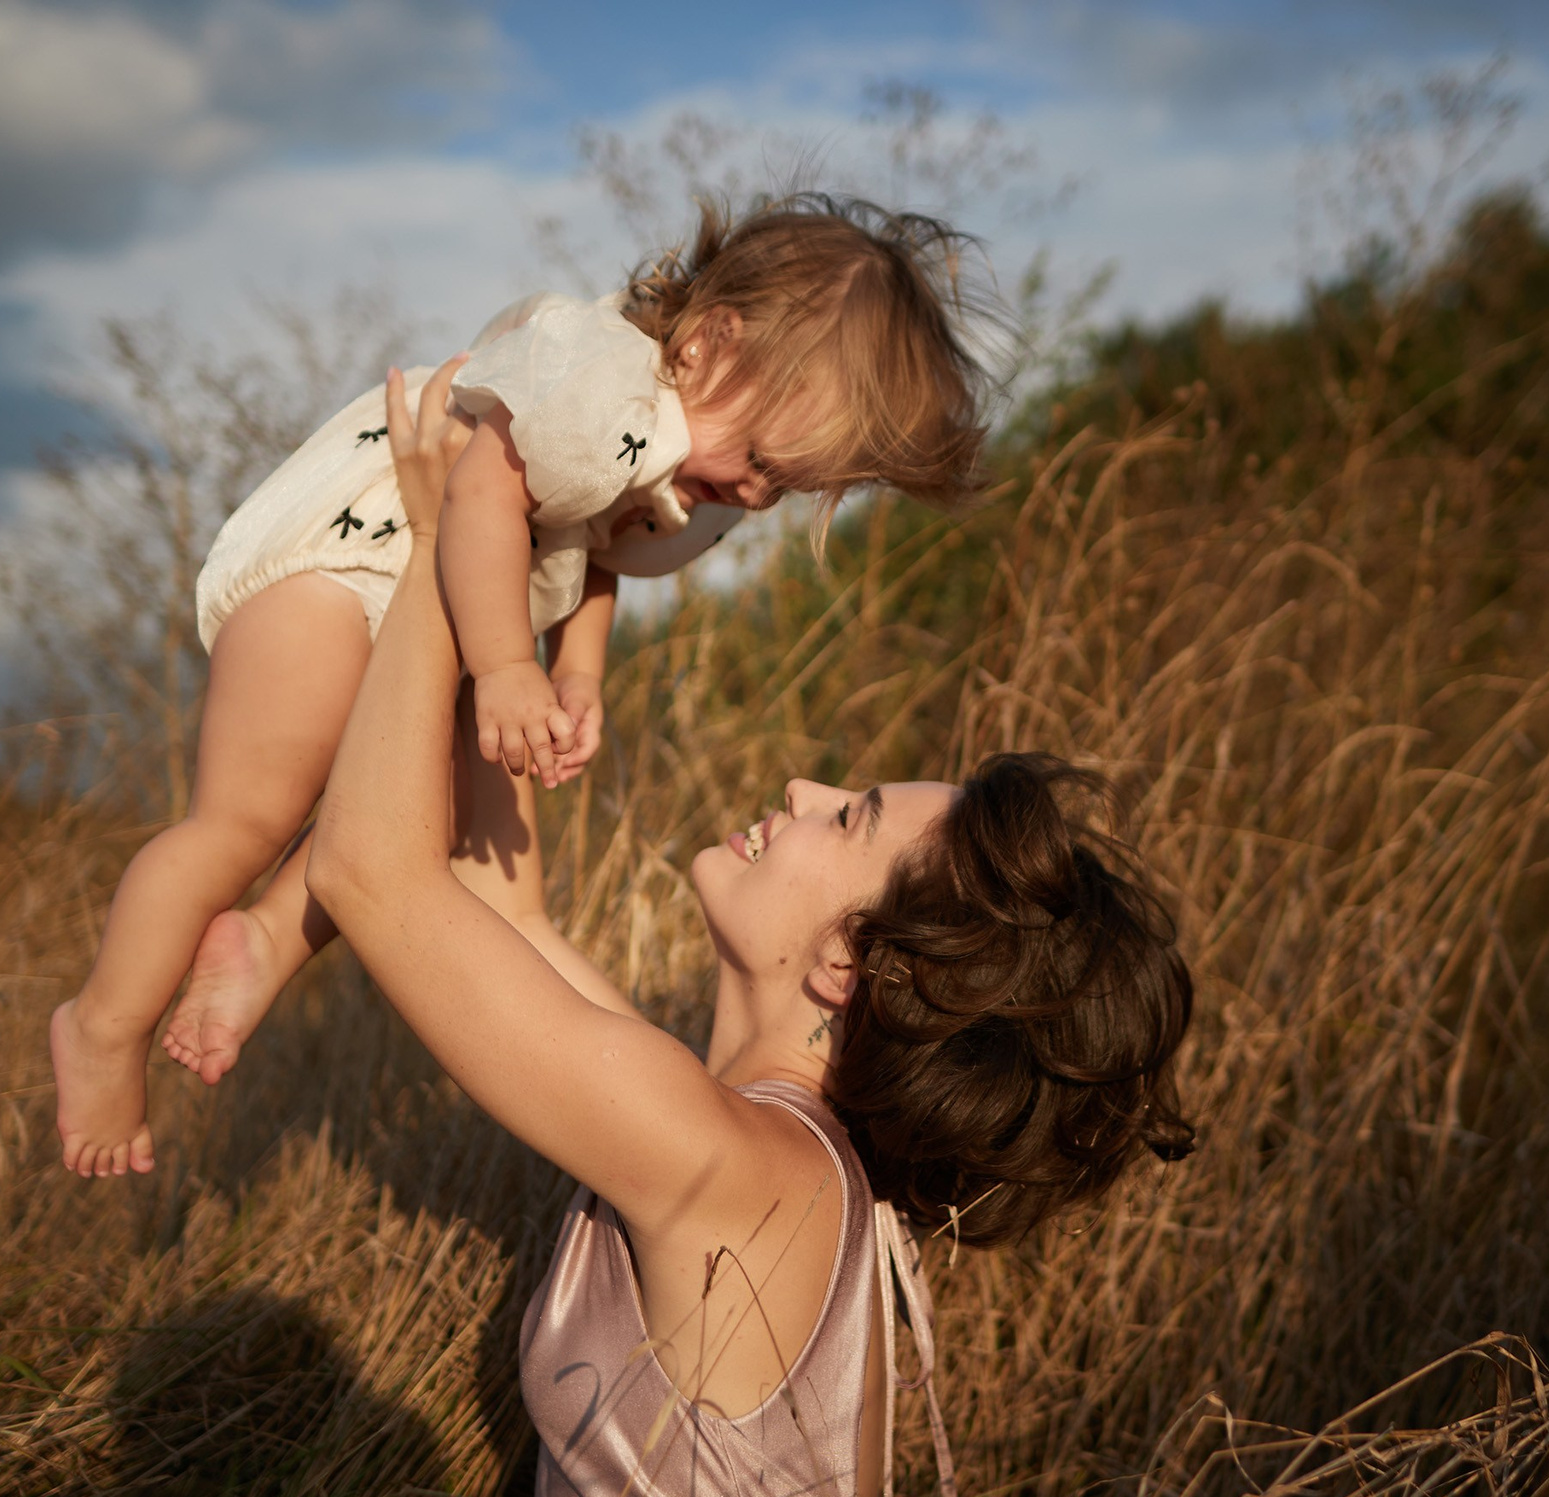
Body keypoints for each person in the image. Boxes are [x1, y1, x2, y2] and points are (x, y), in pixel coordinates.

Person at [0, 366, 1194, 1497]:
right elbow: (481, 891)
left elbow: (377, 875)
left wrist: (464, 536)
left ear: (848, 962)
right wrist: (551, 594)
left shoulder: (736, 1164)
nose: (810, 783)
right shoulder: (770, 1156)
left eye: (852, 818)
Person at [52, 193, 994, 1180]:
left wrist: (576, 673)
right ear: (712, 343)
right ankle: (103, 1024)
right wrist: (507, 670)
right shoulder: (596, 382)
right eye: (762, 461)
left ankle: (260, 942)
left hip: (446, 611)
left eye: (788, 487)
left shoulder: (674, 453)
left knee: (415, 805)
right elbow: (484, 488)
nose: (757, 495)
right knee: (246, 820)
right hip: (347, 561)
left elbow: (594, 550)